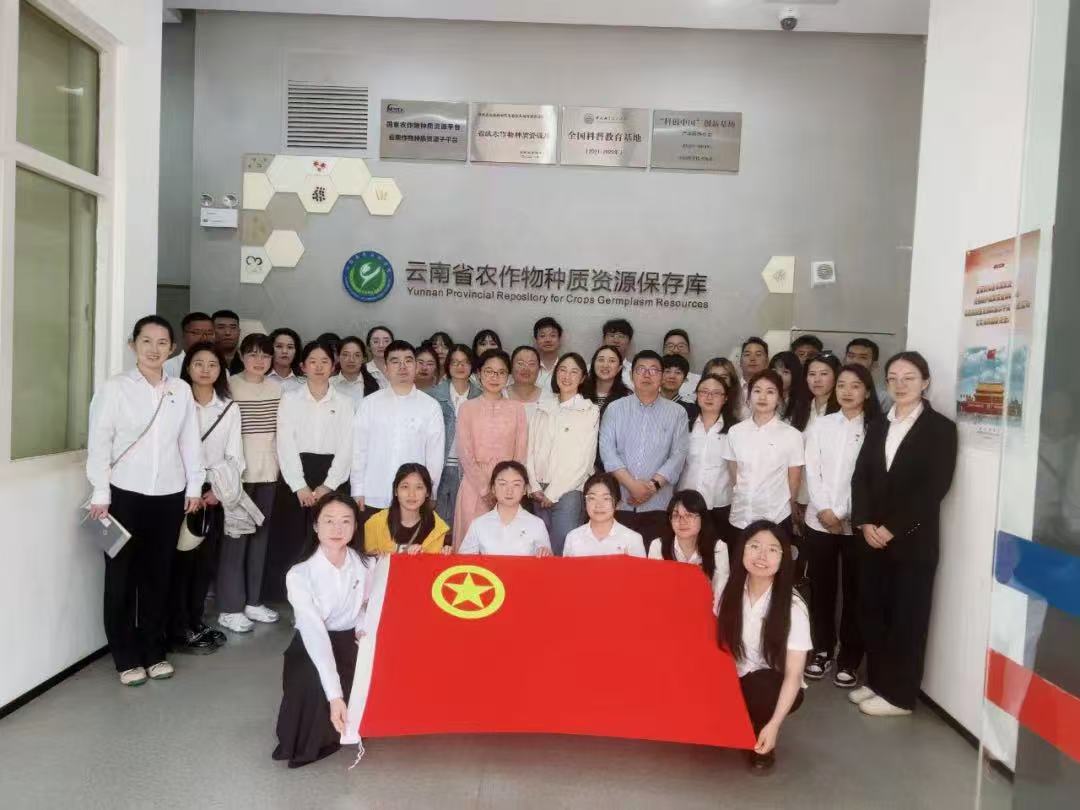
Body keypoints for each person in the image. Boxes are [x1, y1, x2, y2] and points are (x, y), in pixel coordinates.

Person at [86, 315, 204, 686]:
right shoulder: (115, 388)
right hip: (122, 494)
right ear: (133, 345)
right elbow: (99, 442)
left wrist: (194, 487)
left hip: (169, 494)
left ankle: (154, 651)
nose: (154, 349)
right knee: (121, 577)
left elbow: (189, 440)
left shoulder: (180, 390)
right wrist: (101, 491)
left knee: (159, 576)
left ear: (172, 348)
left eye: (162, 342)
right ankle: (125, 656)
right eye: (146, 341)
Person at [850, 351, 957, 717]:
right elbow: (861, 476)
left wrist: (892, 528)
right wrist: (864, 522)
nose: (900, 384)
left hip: (912, 542)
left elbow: (934, 489)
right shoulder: (880, 423)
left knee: (907, 619)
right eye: (893, 378)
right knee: (873, 612)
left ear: (925, 382)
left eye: (909, 377)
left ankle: (900, 696)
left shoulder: (940, 429)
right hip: (872, 537)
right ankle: (878, 682)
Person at [273, 492, 376, 769]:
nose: (337, 528)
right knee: (311, 684)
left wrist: (361, 629)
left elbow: (366, 607)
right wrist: (334, 695)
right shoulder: (299, 574)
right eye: (329, 521)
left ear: (355, 526)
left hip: (350, 640)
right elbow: (314, 633)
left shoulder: (366, 564)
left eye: (346, 521)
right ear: (316, 526)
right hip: (312, 642)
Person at [802, 363, 881, 686]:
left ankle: (849, 658)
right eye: (842, 385)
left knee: (854, 593)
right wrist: (825, 510)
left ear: (868, 392)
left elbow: (867, 478)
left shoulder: (876, 429)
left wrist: (842, 512)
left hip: (855, 524)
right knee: (821, 590)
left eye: (855, 386)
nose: (847, 392)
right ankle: (821, 650)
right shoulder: (822, 425)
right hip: (819, 521)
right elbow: (812, 470)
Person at [716, 520, 811, 771]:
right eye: (754, 546)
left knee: (762, 689)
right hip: (731, 675)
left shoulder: (793, 607)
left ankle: (761, 730)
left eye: (772, 549)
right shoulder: (728, 590)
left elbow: (794, 675)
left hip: (767, 683)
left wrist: (775, 725)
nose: (762, 556)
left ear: (783, 558)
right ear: (742, 550)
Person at [169, 343, 243, 653]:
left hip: (211, 494)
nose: (205, 369)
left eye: (212, 364)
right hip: (176, 491)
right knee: (177, 564)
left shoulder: (228, 407)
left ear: (221, 370)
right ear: (187, 367)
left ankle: (194, 620)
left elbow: (235, 457)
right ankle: (175, 626)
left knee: (203, 564)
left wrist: (217, 493)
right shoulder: (174, 401)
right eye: (198, 363)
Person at [268, 339, 353, 601]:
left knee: (327, 538)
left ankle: (327, 596)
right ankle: (290, 597)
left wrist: (329, 485)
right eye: (312, 361)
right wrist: (299, 485)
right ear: (303, 366)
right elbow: (285, 443)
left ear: (333, 366)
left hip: (332, 476)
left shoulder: (345, 402)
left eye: (324, 361)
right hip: (296, 477)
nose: (318, 367)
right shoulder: (290, 399)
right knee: (292, 538)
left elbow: (348, 445)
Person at [220, 333, 282, 634]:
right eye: (253, 354)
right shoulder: (229, 386)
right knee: (235, 541)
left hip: (268, 473)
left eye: (265, 355)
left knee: (260, 540)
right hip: (237, 477)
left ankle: (253, 601)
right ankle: (230, 607)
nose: (259, 360)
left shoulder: (277, 389)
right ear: (242, 356)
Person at [350, 340, 445, 524]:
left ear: (416, 366)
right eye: (395, 361)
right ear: (386, 368)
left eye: (408, 360)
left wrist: (431, 492)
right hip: (372, 494)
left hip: (413, 498)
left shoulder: (430, 407)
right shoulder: (369, 404)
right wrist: (357, 489)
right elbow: (358, 450)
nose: (402, 366)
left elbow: (434, 455)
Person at [599, 350, 689, 541]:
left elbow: (678, 455)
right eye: (641, 369)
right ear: (631, 375)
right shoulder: (615, 409)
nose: (647, 374)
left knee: (653, 556)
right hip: (620, 501)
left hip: (658, 504)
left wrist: (652, 486)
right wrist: (632, 485)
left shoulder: (677, 413)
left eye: (654, 370)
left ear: (662, 376)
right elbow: (607, 451)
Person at [452, 349, 528, 549]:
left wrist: (505, 486)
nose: (495, 377)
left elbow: (520, 453)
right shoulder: (467, 408)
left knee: (504, 545)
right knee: (471, 545)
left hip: (507, 487)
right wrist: (485, 489)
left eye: (501, 372)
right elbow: (464, 453)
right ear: (479, 374)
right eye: (489, 371)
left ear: (508, 376)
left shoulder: (517, 409)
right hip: (473, 485)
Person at [526, 352, 599, 555]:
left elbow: (584, 461)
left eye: (574, 372)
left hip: (568, 491)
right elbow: (529, 448)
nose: (567, 376)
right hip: (538, 491)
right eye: (563, 370)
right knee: (538, 551)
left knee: (562, 551)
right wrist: (533, 485)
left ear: (582, 378)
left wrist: (553, 493)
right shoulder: (542, 406)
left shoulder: (589, 411)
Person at [723, 370, 804, 540]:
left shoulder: (792, 435)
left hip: (776, 515)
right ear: (748, 397)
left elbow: (794, 480)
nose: (762, 397)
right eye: (757, 391)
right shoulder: (735, 432)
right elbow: (734, 474)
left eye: (770, 392)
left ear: (779, 398)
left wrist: (791, 508)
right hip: (740, 514)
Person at [426, 344, 481, 535]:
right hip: (438, 468)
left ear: (472, 365)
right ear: (448, 365)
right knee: (437, 526)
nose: (460, 366)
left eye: (465, 362)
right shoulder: (432, 396)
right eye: (455, 362)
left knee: (464, 525)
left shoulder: (480, 396)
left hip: (468, 470)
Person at [678, 374, 738, 542]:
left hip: (719, 505)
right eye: (704, 391)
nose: (709, 397)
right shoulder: (685, 426)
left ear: (725, 398)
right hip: (686, 503)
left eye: (716, 393)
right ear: (696, 396)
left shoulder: (735, 430)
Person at [460, 461, 552, 556]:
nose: (509, 491)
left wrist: (545, 554)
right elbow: (464, 561)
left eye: (516, 484)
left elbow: (547, 562)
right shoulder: (478, 524)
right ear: (493, 488)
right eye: (503, 484)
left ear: (524, 489)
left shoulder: (536, 524)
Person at [648, 489, 728, 594]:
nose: (682, 521)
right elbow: (655, 586)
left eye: (689, 515)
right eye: (676, 515)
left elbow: (720, 592)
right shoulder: (658, 545)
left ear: (702, 518)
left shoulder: (718, 547)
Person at [364, 463, 450, 554]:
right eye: (405, 487)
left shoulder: (437, 528)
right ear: (395, 491)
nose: (411, 494)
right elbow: (370, 561)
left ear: (427, 492)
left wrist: (446, 554)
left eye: (419, 487)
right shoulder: (374, 524)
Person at [563, 472, 646, 557]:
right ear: (585, 502)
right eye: (592, 498)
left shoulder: (632, 539)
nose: (599, 505)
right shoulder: (573, 538)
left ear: (618, 503)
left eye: (606, 498)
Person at [331, 335, 379, 409]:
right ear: (338, 357)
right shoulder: (328, 385)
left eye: (357, 355)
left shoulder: (374, 385)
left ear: (363, 359)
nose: (351, 360)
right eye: (345, 355)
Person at [580, 345, 631, 412]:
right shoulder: (579, 392)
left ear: (619, 368)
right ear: (593, 364)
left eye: (612, 361)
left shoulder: (627, 397)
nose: (605, 365)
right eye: (601, 360)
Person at [164, 311, 214, 379]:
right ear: (183, 335)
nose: (204, 338)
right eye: (197, 333)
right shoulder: (167, 367)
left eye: (209, 333)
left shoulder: (220, 368)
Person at [846, 337, 891, 411]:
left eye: (863, 357)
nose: (855, 361)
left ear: (874, 365)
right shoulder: (832, 388)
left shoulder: (882, 397)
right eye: (851, 356)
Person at [505, 345, 545, 421]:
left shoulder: (549, 398)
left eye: (531, 364)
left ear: (539, 369)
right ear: (511, 367)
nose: (526, 368)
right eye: (520, 363)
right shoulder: (499, 396)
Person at [768, 351, 808, 422]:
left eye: (785, 372)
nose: (779, 376)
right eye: (774, 371)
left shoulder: (802, 402)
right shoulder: (764, 398)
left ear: (795, 375)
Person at [663, 328, 700, 399]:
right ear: (663, 350)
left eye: (681, 346)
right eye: (670, 346)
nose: (675, 350)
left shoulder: (699, 381)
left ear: (688, 350)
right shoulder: (652, 378)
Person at [738, 338, 770, 419]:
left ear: (767, 362)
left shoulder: (774, 390)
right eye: (747, 354)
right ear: (740, 362)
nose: (752, 359)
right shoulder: (731, 388)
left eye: (758, 355)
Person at [268, 327, 304, 393]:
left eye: (290, 347)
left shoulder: (304, 382)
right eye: (279, 346)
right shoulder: (261, 378)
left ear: (296, 351)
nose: (284, 351)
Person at [601, 318, 635, 388]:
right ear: (603, 340)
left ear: (629, 342)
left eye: (621, 336)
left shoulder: (635, 371)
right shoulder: (590, 370)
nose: (616, 340)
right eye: (611, 335)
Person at [533, 317, 563, 391]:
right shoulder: (529, 368)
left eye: (553, 335)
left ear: (559, 339)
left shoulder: (565, 367)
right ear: (536, 340)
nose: (548, 340)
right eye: (542, 336)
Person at [212, 309, 244, 375]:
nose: (228, 333)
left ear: (239, 332)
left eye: (233, 327)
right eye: (221, 327)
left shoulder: (249, 360)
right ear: (212, 331)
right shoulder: (203, 359)